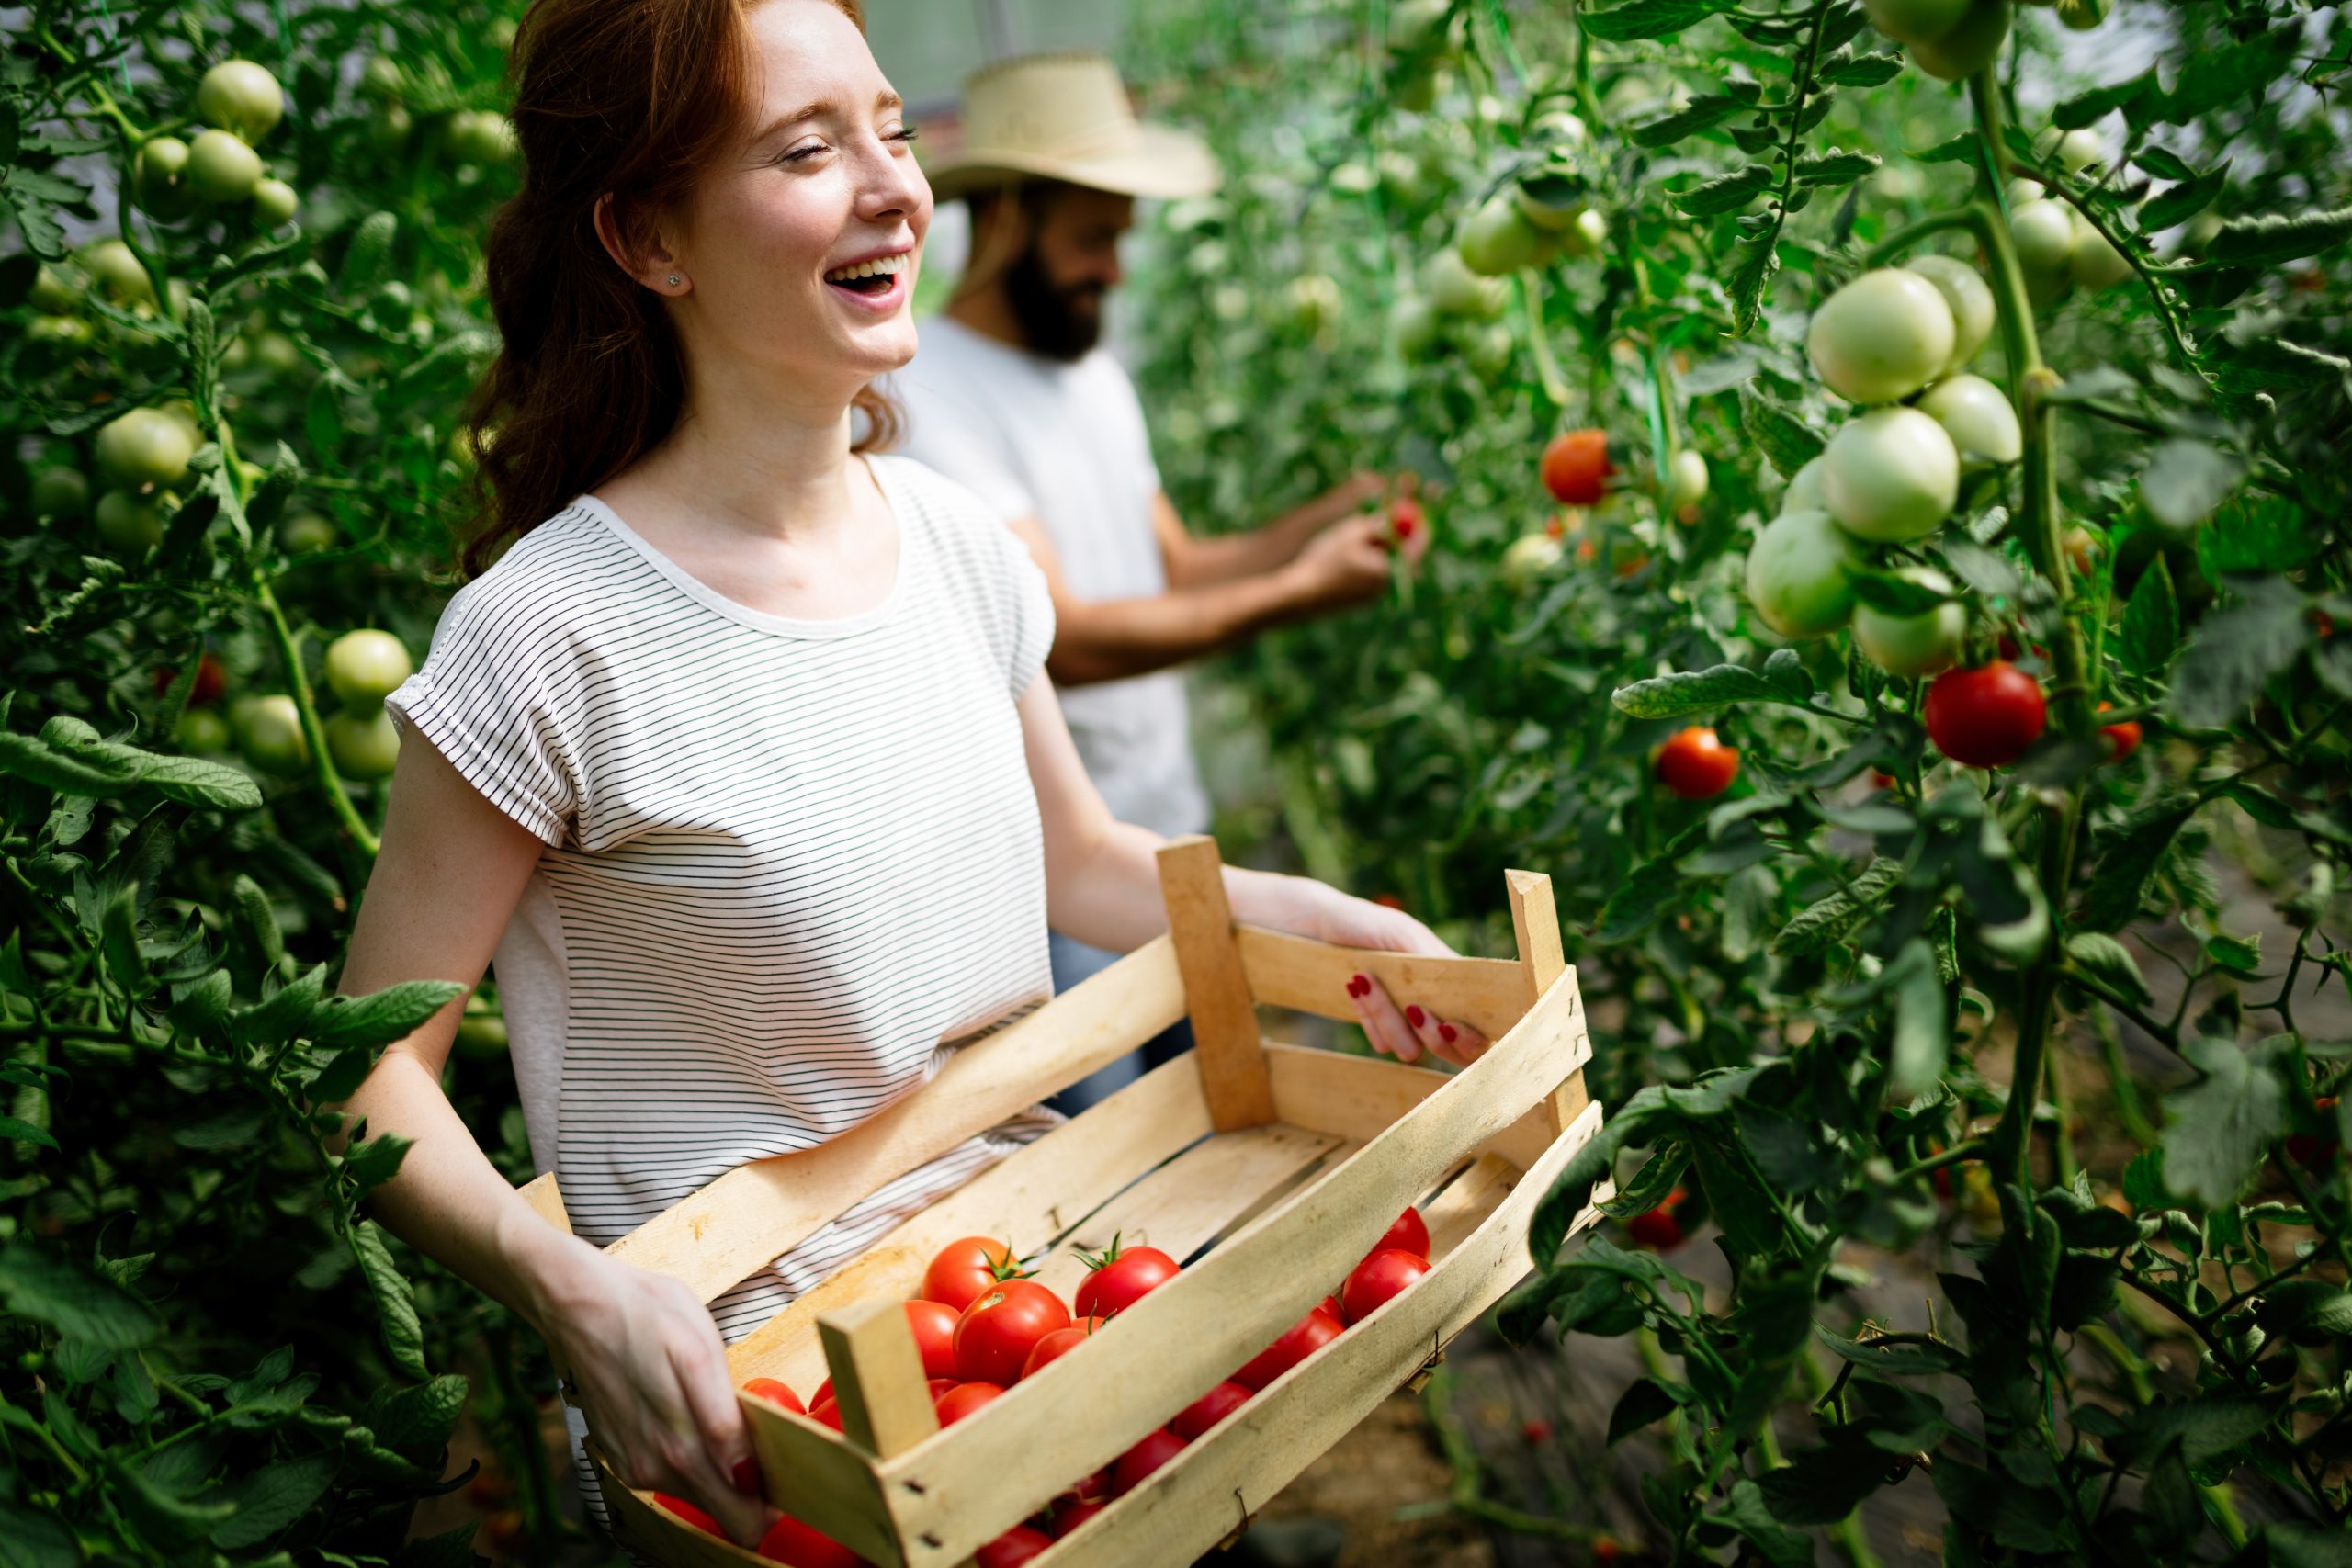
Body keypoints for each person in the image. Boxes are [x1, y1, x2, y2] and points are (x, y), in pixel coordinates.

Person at [331, 0, 1484, 1548]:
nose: (893, 186)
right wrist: (570, 1286)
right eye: (809, 149)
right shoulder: (547, 636)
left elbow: (1073, 854)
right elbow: (365, 1068)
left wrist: (1305, 917)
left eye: (890, 127)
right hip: (766, 1425)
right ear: (649, 239)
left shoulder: (947, 538)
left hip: (1045, 1307)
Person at [888, 52, 1427, 1112]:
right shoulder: (925, 393)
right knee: (1111, 1189)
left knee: (1212, 1137)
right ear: (1003, 222)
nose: (1115, 270)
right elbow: (1064, 640)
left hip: (1166, 844)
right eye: (1093, 239)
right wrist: (1296, 593)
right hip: (1058, 885)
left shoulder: (1092, 376)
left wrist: (1321, 521)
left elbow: (1175, 567)